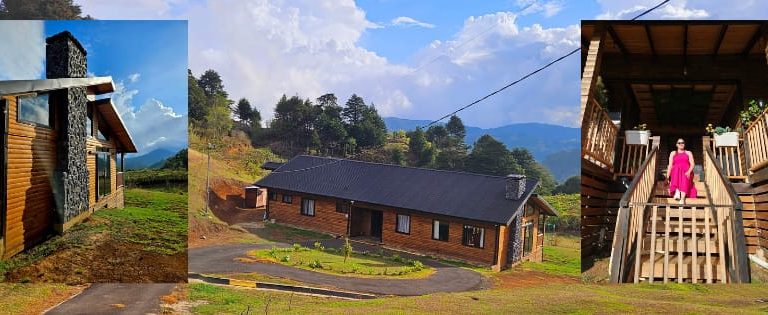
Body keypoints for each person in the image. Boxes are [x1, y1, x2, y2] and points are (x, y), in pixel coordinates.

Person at [666, 138, 697, 205]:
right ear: (676, 144)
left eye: (682, 143)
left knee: (684, 175)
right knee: (676, 167)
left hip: (687, 172)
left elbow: (692, 164)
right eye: (679, 143)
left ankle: (682, 199)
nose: (681, 144)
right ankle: (677, 190)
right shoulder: (673, 153)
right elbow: (670, 166)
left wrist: (689, 171)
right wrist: (667, 177)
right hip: (676, 173)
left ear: (684, 144)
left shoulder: (688, 152)